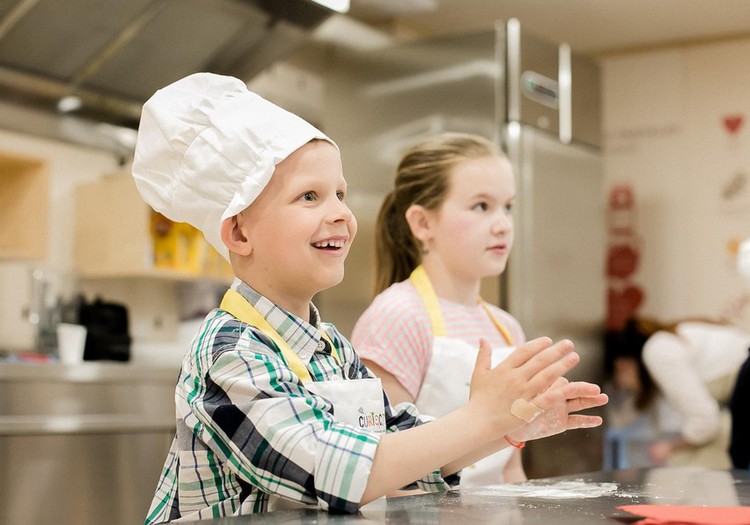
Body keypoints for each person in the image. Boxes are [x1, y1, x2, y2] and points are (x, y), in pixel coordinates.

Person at [132, 72, 608, 524]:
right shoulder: (231, 353)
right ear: (238, 231)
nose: (341, 213)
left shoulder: (331, 348)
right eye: (309, 197)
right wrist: (479, 417)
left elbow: (405, 451)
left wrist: (505, 426)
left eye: (340, 193)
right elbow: (337, 472)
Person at [351, 132, 529, 486]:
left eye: (507, 206)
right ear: (423, 223)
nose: (503, 224)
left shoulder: (508, 328)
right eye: (481, 206)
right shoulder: (397, 318)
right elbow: (387, 477)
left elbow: (511, 469)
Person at [605, 317, 750, 469]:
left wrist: (670, 447)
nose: (622, 385)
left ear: (621, 365)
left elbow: (706, 422)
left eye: (616, 380)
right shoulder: (668, 340)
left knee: (682, 465)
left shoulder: (657, 351)